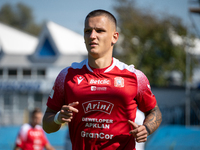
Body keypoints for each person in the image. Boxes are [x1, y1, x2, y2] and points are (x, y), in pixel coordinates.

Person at [42, 9, 162, 150]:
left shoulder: (135, 76)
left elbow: (154, 112)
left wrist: (146, 129)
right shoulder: (67, 76)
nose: (92, 36)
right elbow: (47, 125)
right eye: (88, 31)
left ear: (114, 37)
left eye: (99, 31)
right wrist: (57, 117)